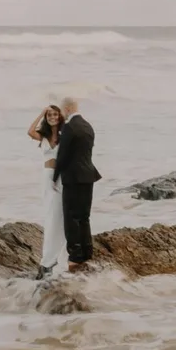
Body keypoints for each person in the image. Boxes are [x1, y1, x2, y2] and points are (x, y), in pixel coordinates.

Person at [52, 96, 101, 273]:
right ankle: (87, 252)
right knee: (84, 216)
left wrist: (54, 177)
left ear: (66, 110)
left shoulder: (70, 128)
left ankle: (75, 257)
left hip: (73, 178)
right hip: (88, 176)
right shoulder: (88, 126)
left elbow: (63, 156)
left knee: (71, 218)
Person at [27, 104, 66, 279]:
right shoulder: (42, 135)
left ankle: (58, 254)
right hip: (46, 176)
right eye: (49, 114)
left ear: (59, 116)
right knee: (50, 213)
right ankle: (50, 255)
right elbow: (29, 131)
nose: (52, 117)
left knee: (60, 214)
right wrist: (41, 113)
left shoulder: (63, 134)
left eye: (55, 114)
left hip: (60, 177)